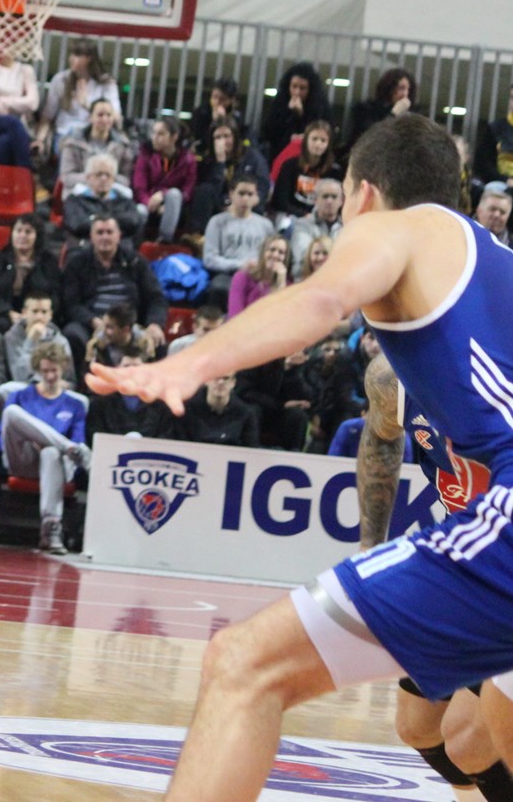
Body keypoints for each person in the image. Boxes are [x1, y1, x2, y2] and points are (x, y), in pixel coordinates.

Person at [86, 113, 513, 801]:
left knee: (244, 665)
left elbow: (322, 298)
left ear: (364, 193)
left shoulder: (392, 227)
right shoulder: (495, 263)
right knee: (478, 738)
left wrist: (187, 364)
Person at [354, 352, 513, 801]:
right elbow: (380, 438)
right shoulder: (393, 377)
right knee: (417, 726)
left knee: (469, 741)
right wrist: (371, 544)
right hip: (465, 564)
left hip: (503, 566)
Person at [0, 341, 91, 555]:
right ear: (38, 370)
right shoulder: (20, 395)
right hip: (24, 458)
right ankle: (62, 445)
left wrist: (50, 444)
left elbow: (79, 441)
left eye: (54, 370)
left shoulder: (75, 404)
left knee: (51, 452)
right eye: (45, 371)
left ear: (63, 368)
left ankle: (51, 528)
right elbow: (0, 436)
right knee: (11, 412)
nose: (50, 376)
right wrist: (38, 439)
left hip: (58, 464)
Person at [59, 214, 167, 369]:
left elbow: (156, 297)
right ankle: (85, 382)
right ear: (91, 237)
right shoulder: (77, 263)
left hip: (129, 325)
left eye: (109, 232)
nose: (105, 237)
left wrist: (154, 324)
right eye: (100, 232)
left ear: (119, 236)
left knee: (157, 340)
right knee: (72, 334)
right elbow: (71, 304)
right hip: (92, 323)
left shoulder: (136, 261)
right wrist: (93, 321)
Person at [0, 213, 61, 334]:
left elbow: (55, 294)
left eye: (28, 232)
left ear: (37, 236)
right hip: (1, 314)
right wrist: (8, 312)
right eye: (18, 230)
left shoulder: (49, 262)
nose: (22, 235)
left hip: (38, 315)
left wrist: (33, 314)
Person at [39, 38, 121, 155]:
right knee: (72, 141)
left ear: (89, 58)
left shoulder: (106, 83)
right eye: (71, 54)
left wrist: (87, 105)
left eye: (77, 55)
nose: (71, 59)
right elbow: (47, 116)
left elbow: (116, 117)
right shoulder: (60, 79)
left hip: (94, 134)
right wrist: (40, 140)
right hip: (65, 133)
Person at [201, 175, 274, 303]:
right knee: (219, 287)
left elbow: (272, 254)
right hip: (227, 274)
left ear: (256, 197)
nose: (245, 199)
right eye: (241, 193)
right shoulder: (217, 222)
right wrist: (239, 265)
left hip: (258, 274)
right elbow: (209, 259)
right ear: (231, 194)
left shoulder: (266, 225)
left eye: (250, 194)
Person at [189, 119, 270, 231]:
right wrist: (220, 163)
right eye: (218, 137)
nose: (223, 141)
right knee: (204, 190)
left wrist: (238, 204)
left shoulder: (253, 157)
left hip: (246, 204)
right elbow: (210, 190)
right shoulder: (208, 161)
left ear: (235, 137)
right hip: (219, 205)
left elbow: (262, 189)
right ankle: (198, 235)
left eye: (227, 136)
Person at [133, 117, 196, 243]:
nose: (154, 138)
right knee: (140, 211)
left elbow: (187, 191)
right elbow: (139, 188)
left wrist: (163, 194)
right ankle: (136, 245)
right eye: (154, 133)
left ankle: (164, 241)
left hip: (175, 207)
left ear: (174, 137)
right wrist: (150, 203)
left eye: (161, 134)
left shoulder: (188, 160)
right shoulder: (145, 155)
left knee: (174, 194)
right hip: (148, 203)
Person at [258, 61, 332, 163]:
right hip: (280, 156)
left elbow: (324, 131)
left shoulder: (320, 106)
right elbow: (268, 132)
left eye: (302, 88)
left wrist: (301, 116)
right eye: (294, 86)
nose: (297, 92)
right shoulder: (280, 102)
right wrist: (288, 115)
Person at [58, 99, 135, 193]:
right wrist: (92, 178)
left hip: (112, 194)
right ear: (90, 117)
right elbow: (66, 177)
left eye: (109, 115)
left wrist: (107, 178)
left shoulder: (123, 145)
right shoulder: (73, 142)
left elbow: (127, 179)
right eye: (100, 115)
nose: (105, 119)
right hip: (79, 194)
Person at [270, 119, 342, 218]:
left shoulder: (335, 171)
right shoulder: (289, 166)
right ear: (306, 140)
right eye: (314, 139)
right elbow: (279, 201)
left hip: (323, 218)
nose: (318, 144)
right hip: (292, 216)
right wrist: (304, 215)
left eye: (323, 140)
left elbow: (339, 203)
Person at [0, 290, 71, 390]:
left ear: (50, 314)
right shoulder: (11, 337)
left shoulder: (61, 341)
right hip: (25, 388)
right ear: (24, 313)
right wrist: (31, 340)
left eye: (44, 312)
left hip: (54, 389)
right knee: (5, 389)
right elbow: (18, 376)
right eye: (35, 311)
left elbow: (70, 381)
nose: (39, 317)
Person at [63, 154, 142, 241]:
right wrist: (115, 221)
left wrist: (93, 218)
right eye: (98, 174)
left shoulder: (125, 201)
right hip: (85, 246)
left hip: (121, 246)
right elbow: (78, 225)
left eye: (108, 175)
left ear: (113, 179)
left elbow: (133, 222)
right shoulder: (75, 201)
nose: (103, 178)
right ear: (88, 177)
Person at [346, 68, 417, 158]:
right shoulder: (366, 109)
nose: (405, 94)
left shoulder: (409, 116)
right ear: (389, 88)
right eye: (401, 88)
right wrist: (393, 114)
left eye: (408, 89)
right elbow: (371, 135)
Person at [287, 178, 343, 278]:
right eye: (325, 196)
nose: (329, 201)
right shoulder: (302, 225)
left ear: (341, 201)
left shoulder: (347, 227)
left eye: (334, 197)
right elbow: (305, 255)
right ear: (316, 200)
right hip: (305, 279)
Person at [228, 232, 289, 318]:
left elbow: (283, 318)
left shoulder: (288, 285)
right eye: (272, 250)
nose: (276, 255)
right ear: (262, 252)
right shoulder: (242, 277)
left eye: (281, 252)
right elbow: (234, 315)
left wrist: (281, 284)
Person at [187, 76, 246, 156]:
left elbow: (236, 140)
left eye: (222, 99)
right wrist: (214, 123)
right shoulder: (201, 112)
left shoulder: (236, 117)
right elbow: (197, 136)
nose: (217, 102)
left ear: (231, 100)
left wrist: (223, 121)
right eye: (214, 97)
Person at [475, 181, 511, 246]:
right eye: (492, 209)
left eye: (502, 212)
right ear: (479, 210)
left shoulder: (510, 248)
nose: (496, 215)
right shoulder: (461, 231)